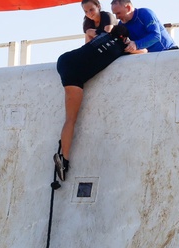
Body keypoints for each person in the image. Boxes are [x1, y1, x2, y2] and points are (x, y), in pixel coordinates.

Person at [53, 19, 130, 182]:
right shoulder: (121, 48)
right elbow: (142, 50)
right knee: (71, 119)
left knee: (69, 119)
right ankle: (64, 160)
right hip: (75, 72)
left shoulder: (103, 36)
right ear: (124, 38)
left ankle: (64, 159)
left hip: (65, 59)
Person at [110, 0, 178, 54]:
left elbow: (156, 36)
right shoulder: (121, 25)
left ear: (128, 8)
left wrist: (136, 44)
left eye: (118, 13)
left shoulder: (145, 13)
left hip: (168, 51)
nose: (117, 17)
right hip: (149, 57)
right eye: (115, 14)